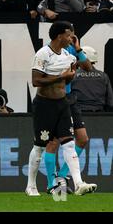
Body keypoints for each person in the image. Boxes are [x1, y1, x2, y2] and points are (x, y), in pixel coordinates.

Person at [25, 20, 97, 197]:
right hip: (44, 105)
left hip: (63, 103)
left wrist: (69, 77)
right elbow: (36, 81)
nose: (71, 37)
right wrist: (61, 76)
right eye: (68, 34)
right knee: (41, 146)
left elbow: (72, 78)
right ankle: (31, 185)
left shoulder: (68, 55)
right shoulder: (43, 54)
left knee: (69, 143)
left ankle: (78, 183)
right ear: (59, 36)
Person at [72, 46, 113, 112]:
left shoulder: (73, 75)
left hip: (78, 113)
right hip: (99, 114)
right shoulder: (103, 76)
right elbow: (110, 101)